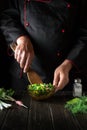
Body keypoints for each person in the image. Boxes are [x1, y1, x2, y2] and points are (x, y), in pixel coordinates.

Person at [0, 0, 87, 92]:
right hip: (26, 73)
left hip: (65, 74)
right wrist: (21, 38)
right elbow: (7, 17)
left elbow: (85, 33)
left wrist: (68, 63)